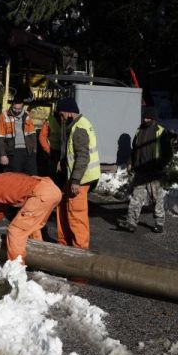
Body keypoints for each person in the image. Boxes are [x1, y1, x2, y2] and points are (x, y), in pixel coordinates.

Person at [117, 106, 173, 233]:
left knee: (156, 199)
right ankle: (131, 222)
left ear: (153, 118)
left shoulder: (161, 132)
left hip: (154, 173)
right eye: (144, 117)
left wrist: (159, 166)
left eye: (148, 117)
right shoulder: (139, 131)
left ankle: (159, 223)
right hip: (140, 172)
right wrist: (131, 163)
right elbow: (134, 149)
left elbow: (168, 154)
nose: (145, 119)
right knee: (136, 197)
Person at [54, 97, 99, 249]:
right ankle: (64, 244)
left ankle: (79, 254)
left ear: (69, 112)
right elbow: (72, 152)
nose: (60, 118)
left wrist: (75, 180)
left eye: (61, 114)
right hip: (73, 177)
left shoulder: (79, 128)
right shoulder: (75, 125)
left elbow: (82, 157)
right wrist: (62, 161)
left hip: (80, 180)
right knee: (63, 208)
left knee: (76, 215)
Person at [0, 96, 38, 175]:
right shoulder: (3, 116)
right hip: (14, 152)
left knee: (32, 176)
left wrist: (34, 149)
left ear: (23, 107)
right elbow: (0, 137)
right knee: (16, 177)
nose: (17, 111)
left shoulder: (27, 115)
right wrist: (3, 155)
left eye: (19, 109)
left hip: (28, 151)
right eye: (15, 108)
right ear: (12, 105)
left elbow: (32, 133)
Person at [38, 109, 62, 180]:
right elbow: (42, 137)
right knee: (52, 173)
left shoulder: (66, 120)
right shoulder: (50, 121)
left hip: (62, 152)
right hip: (52, 152)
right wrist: (48, 150)